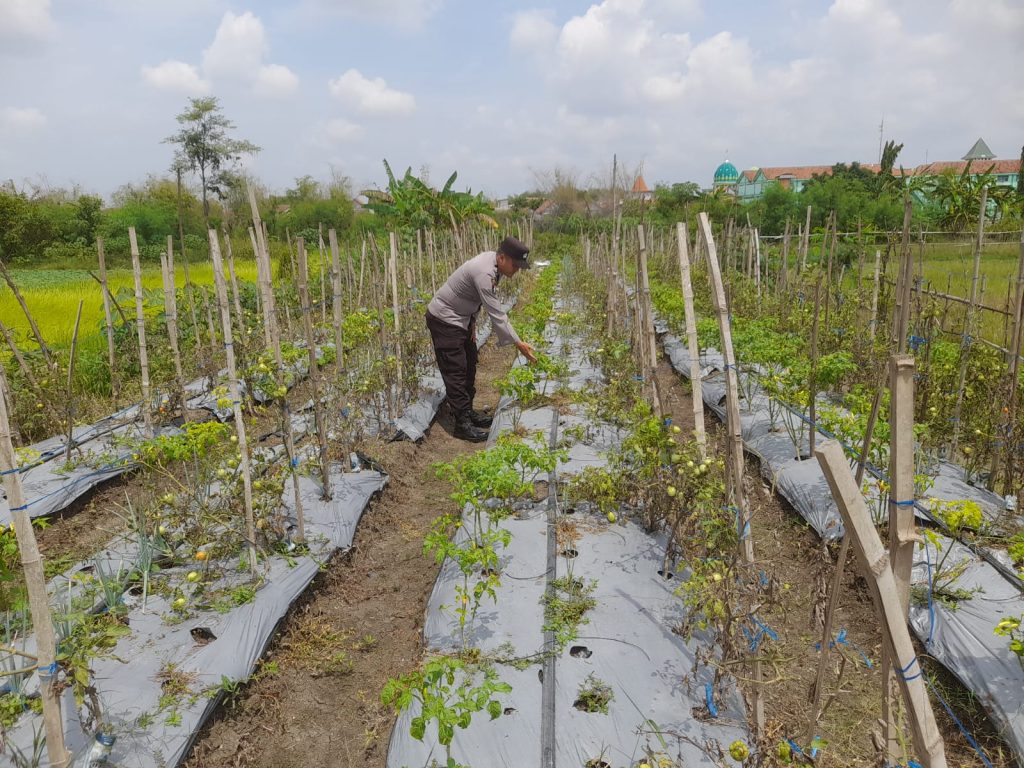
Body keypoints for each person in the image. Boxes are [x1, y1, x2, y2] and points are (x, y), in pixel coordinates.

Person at [426, 235, 537, 442]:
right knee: (456, 370)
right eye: (516, 265)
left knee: (469, 365)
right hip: (445, 319)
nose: (517, 270)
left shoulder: (494, 265)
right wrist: (518, 343)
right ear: (502, 258)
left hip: (462, 319)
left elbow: (472, 299)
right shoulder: (484, 272)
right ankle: (461, 424)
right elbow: (496, 313)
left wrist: (472, 323)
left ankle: (467, 412)